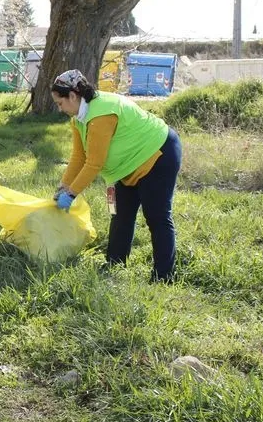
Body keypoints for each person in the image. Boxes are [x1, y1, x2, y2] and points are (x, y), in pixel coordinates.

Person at [51, 69, 182, 283]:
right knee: (120, 215)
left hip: (157, 155)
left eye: (60, 103)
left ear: (73, 96)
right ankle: (115, 263)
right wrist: (62, 187)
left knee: (157, 217)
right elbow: (78, 156)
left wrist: (72, 194)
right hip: (126, 167)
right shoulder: (79, 118)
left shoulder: (101, 114)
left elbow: (94, 163)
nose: (60, 108)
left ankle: (164, 277)